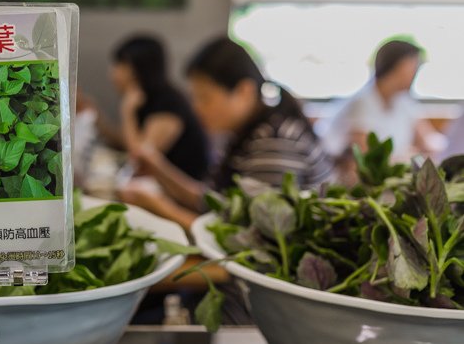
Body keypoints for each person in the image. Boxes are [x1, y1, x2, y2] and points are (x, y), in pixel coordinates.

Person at [120, 36, 332, 229]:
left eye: (205, 98)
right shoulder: (248, 131)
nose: (196, 108)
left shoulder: (274, 142)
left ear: (244, 91)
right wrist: (158, 168)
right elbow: (215, 202)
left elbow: (250, 238)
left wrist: (160, 207)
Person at [319, 39, 440, 162]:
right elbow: (368, 160)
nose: (416, 71)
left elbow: (427, 141)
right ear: (399, 66)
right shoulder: (362, 103)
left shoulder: (403, 101)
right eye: (414, 64)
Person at [112, 35, 210, 180]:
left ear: (134, 69)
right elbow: (127, 143)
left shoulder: (168, 104)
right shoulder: (146, 98)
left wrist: (128, 112)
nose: (112, 73)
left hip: (185, 191)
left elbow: (139, 159)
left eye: (119, 65)